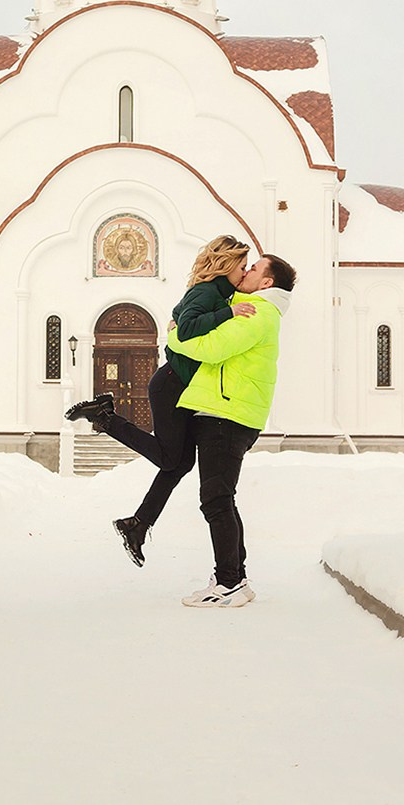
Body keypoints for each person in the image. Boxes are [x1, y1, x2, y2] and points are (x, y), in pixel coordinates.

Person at [64, 235, 255, 565]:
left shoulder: (218, 293)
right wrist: (230, 314)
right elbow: (186, 326)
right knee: (171, 460)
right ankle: (106, 417)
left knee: (179, 463)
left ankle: (137, 525)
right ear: (226, 266)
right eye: (242, 266)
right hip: (170, 385)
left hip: (183, 388)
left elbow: (177, 316)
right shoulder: (208, 292)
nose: (245, 271)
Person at [164, 253, 295, 608]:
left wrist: (175, 336)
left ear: (267, 282)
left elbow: (214, 348)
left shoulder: (259, 313)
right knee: (222, 498)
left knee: (216, 500)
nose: (247, 270)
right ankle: (234, 577)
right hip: (226, 410)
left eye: (254, 268)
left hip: (228, 413)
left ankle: (230, 583)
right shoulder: (251, 307)